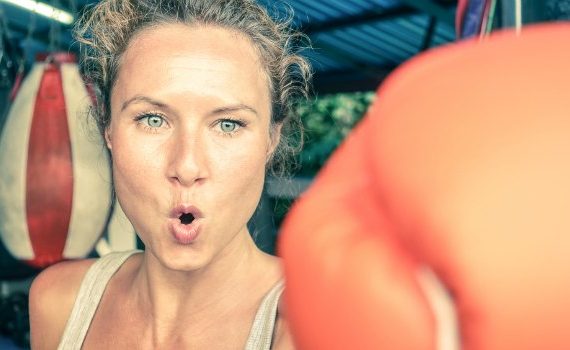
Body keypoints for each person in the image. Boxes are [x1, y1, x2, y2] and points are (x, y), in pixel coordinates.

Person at [28, 1, 310, 349]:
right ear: (108, 128)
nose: (187, 167)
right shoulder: (59, 302)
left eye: (228, 124)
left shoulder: (313, 329)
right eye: (153, 120)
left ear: (272, 139)